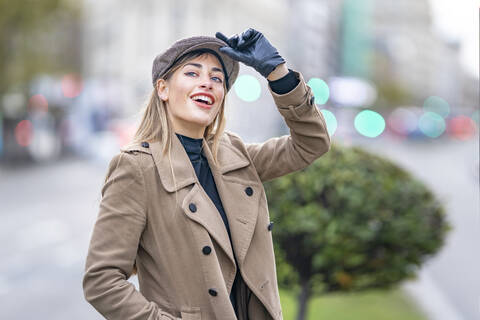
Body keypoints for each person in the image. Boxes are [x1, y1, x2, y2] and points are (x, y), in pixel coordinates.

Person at [82, 28, 331, 320]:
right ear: (163, 88)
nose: (207, 83)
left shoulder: (236, 154)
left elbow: (312, 143)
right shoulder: (136, 167)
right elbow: (101, 280)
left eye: (216, 78)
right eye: (192, 73)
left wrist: (279, 74)